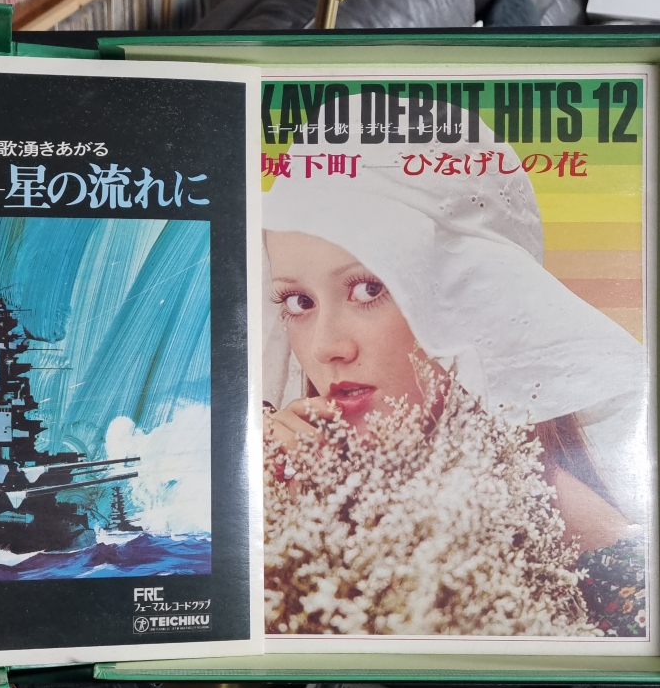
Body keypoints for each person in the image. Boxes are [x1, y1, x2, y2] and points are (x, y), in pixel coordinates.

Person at [263, 102, 648, 637]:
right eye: (299, 302)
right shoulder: (287, 481)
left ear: (473, 300)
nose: (327, 347)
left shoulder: (607, 570)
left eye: (370, 288)